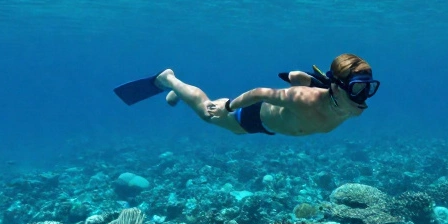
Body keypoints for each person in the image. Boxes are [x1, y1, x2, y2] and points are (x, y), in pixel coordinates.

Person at [116, 55, 378, 137]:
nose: (364, 96)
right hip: (253, 115)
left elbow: (327, 85)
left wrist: (306, 79)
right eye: (357, 88)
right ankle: (169, 79)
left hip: (275, 123)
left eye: (368, 87)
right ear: (338, 87)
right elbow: (258, 93)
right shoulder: (303, 99)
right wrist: (229, 107)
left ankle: (179, 93)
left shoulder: (346, 102)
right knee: (209, 111)